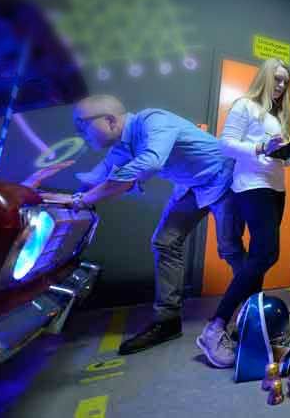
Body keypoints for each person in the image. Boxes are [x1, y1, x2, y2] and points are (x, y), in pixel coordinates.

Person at [69, 94, 244, 355]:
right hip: (191, 186)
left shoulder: (154, 121)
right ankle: (167, 321)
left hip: (221, 178)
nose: (80, 133)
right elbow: (98, 175)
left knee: (229, 249)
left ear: (109, 120)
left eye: (82, 125)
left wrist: (85, 199)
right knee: (165, 243)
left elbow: (150, 162)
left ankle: (253, 312)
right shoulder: (123, 146)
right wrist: (64, 196)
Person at [197, 58, 290, 369]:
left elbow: (277, 159)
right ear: (265, 78)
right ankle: (215, 327)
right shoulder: (245, 105)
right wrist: (259, 147)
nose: (281, 85)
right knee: (266, 254)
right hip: (251, 186)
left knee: (261, 256)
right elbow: (225, 145)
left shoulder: (277, 116)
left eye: (285, 81)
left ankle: (247, 323)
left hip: (275, 188)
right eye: (277, 79)